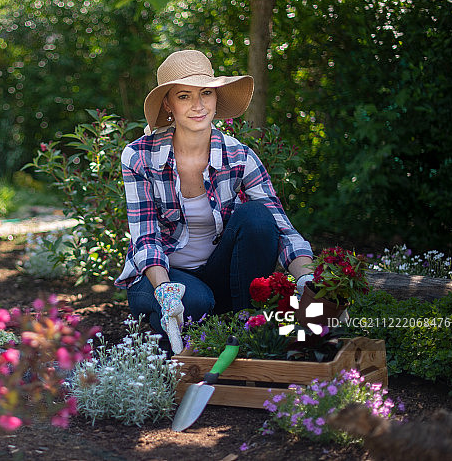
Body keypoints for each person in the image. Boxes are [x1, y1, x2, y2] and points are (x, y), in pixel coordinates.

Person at [115, 50, 315, 355]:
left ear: (216, 97)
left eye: (206, 93)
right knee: (194, 302)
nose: (198, 105)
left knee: (257, 217)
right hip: (160, 277)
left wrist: (307, 280)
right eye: (184, 96)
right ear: (168, 103)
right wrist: (166, 291)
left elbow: (281, 228)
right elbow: (146, 239)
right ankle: (169, 322)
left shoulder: (239, 156)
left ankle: (245, 326)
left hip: (218, 273)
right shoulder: (139, 156)